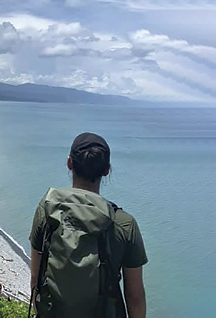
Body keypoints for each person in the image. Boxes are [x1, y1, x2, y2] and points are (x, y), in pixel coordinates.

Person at [29, 132, 148, 318]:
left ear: (69, 163)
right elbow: (135, 296)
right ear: (106, 170)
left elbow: (36, 279)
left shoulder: (46, 211)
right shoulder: (124, 223)